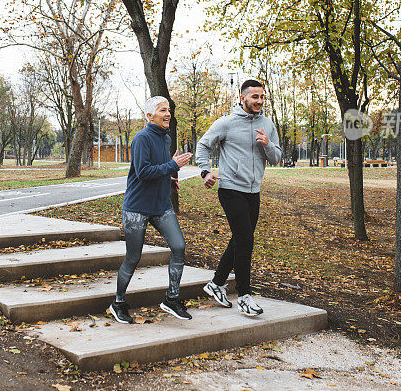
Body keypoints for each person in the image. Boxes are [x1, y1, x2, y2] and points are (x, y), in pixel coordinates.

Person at [195, 79, 281, 316]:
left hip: (254, 191)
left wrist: (267, 145)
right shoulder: (227, 123)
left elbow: (276, 158)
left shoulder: (266, 124)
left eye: (262, 97)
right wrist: (205, 171)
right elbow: (202, 146)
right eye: (255, 97)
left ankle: (215, 284)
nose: (259, 101)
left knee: (240, 240)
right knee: (245, 240)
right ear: (242, 97)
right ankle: (244, 295)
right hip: (231, 189)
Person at [108, 96, 193, 324]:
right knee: (133, 257)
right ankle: (118, 303)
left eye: (169, 110)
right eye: (162, 110)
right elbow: (144, 172)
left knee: (178, 246)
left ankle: (172, 300)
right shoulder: (141, 138)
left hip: (161, 206)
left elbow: (159, 169)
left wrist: (169, 177)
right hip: (137, 208)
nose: (168, 114)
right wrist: (173, 166)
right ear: (149, 116)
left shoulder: (165, 139)